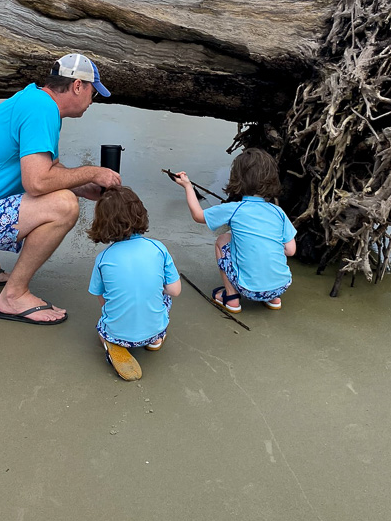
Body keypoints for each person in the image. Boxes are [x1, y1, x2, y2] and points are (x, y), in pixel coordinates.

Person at [0, 53, 121, 326]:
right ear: (78, 86)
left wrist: (85, 186)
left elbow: (48, 168)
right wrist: (93, 171)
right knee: (64, 205)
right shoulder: (41, 109)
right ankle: (14, 296)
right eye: (93, 92)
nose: (92, 100)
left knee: (65, 193)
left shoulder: (35, 100)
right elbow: (38, 182)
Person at [174, 148, 296, 313]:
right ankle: (272, 299)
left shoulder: (235, 209)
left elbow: (198, 215)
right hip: (281, 286)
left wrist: (188, 186)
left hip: (248, 288)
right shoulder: (277, 212)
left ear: (237, 178)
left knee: (222, 240)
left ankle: (231, 297)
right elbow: (290, 250)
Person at [87, 187, 181, 381]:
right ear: (141, 213)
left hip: (118, 331)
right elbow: (175, 290)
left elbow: (100, 296)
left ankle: (110, 341)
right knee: (163, 295)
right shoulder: (158, 248)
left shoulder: (103, 258)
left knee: (103, 324)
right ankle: (154, 340)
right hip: (156, 328)